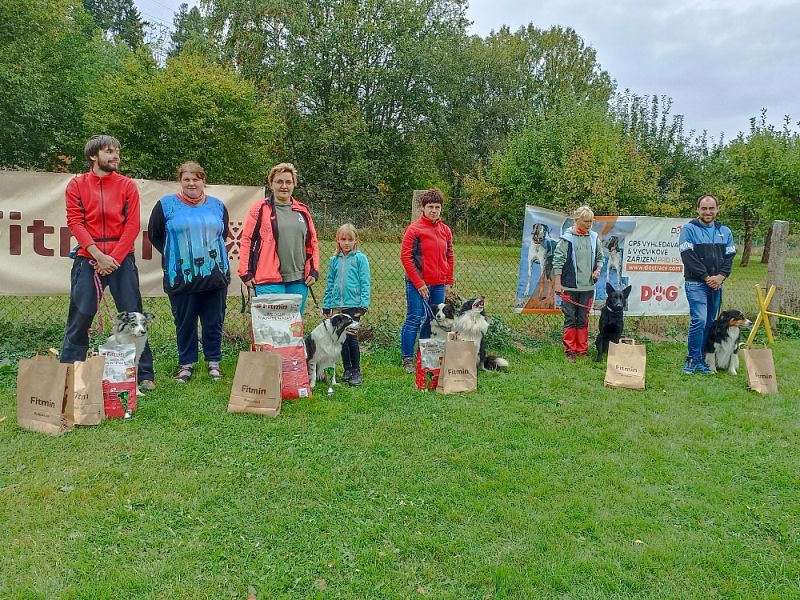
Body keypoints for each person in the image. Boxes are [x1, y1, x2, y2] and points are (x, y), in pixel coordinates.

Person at [59, 135, 155, 390]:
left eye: (117, 152)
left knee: (133, 315)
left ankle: (143, 374)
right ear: (93, 156)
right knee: (80, 315)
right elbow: (75, 223)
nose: (116, 157)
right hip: (88, 259)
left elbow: (132, 225)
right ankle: (70, 370)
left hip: (121, 259)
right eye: (109, 151)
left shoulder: (127, 185)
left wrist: (115, 257)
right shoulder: (76, 185)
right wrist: (98, 256)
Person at [148, 161, 231, 383]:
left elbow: (223, 234)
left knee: (214, 321)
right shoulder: (165, 205)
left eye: (196, 179)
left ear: (204, 180)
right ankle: (186, 364)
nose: (191, 183)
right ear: (180, 181)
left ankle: (213, 361)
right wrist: (176, 253)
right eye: (187, 179)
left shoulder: (217, 206)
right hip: (181, 276)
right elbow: (155, 235)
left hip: (214, 275)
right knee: (185, 322)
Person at [238, 163, 319, 314]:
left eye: (288, 182)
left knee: (293, 328)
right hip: (268, 279)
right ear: (271, 184)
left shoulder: (302, 210)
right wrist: (245, 272)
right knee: (270, 330)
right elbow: (247, 240)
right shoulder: (260, 209)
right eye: (279, 182)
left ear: (294, 184)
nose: (284, 186)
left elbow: (312, 242)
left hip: (299, 279)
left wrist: (313, 270)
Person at [679, 194, 736, 374]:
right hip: (696, 283)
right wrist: (706, 277)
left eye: (711, 208)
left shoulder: (725, 231)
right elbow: (687, 256)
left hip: (717, 284)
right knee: (699, 320)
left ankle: (705, 359)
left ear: (717, 209)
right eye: (704, 208)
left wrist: (720, 277)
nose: (708, 212)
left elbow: (730, 257)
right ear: (698, 210)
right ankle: (692, 359)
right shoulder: (688, 229)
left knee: (710, 323)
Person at [399, 188, 454, 373]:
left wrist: (448, 281)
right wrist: (419, 283)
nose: (434, 210)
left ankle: (424, 355)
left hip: (438, 284)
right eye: (430, 206)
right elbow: (405, 257)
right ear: (423, 208)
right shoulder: (414, 229)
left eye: (437, 207)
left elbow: (449, 255)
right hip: (418, 283)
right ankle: (407, 359)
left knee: (432, 321)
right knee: (414, 318)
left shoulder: (445, 230)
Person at [322, 223, 371, 386]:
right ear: (338, 240)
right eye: (343, 239)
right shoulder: (334, 260)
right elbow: (329, 283)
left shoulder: (360, 259)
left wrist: (363, 305)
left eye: (350, 239)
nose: (347, 243)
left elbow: (365, 282)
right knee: (341, 339)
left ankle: (356, 371)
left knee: (351, 337)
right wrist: (327, 305)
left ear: (356, 240)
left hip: (353, 306)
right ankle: (347, 369)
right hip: (337, 306)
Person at [553, 205, 603, 362]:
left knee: (583, 318)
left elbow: (601, 258)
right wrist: (557, 283)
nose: (589, 225)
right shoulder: (566, 239)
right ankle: (570, 350)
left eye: (591, 222)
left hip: (588, 287)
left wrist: (598, 270)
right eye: (586, 221)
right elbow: (558, 261)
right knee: (570, 318)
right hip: (569, 286)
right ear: (577, 220)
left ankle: (582, 349)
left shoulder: (594, 238)